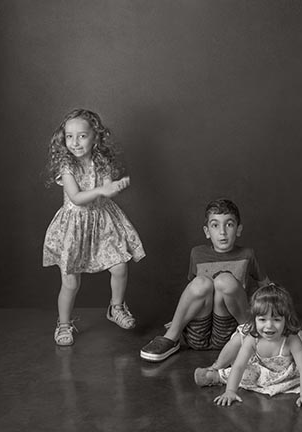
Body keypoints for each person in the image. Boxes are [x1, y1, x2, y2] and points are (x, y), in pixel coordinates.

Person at [43, 108, 146, 346]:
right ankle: (64, 323)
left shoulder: (101, 162)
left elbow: (108, 190)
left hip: (102, 223)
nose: (75, 142)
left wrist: (114, 187)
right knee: (71, 282)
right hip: (74, 227)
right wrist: (102, 190)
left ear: (95, 137)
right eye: (69, 136)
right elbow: (76, 197)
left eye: (82, 136)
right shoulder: (67, 166)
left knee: (120, 266)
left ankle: (116, 307)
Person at [140, 198, 270, 362]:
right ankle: (171, 337)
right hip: (197, 335)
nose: (222, 232)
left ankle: (250, 334)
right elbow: (193, 293)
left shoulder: (248, 254)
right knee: (201, 283)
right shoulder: (197, 254)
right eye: (215, 225)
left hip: (231, 334)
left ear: (238, 229)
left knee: (225, 281)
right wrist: (178, 320)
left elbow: (267, 288)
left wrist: (269, 318)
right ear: (207, 231)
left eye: (229, 224)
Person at [194, 283, 302, 409]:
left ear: (286, 319)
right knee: (245, 373)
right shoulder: (253, 339)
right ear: (254, 319)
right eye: (262, 319)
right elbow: (239, 366)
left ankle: (218, 377)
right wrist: (230, 391)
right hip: (260, 369)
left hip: (286, 373)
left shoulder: (291, 340)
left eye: (276, 319)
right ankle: (216, 374)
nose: (269, 326)